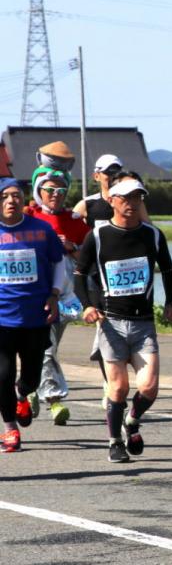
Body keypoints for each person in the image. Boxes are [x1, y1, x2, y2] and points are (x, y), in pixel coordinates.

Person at [73, 176, 172, 463]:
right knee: (118, 388)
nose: (132, 203)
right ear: (112, 201)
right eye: (126, 198)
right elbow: (79, 275)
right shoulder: (97, 235)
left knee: (149, 387)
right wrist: (86, 306)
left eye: (137, 198)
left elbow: (168, 270)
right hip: (111, 323)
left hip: (143, 322)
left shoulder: (152, 235)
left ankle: (132, 420)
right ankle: (114, 441)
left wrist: (170, 302)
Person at [0, 178, 67, 452]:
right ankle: (10, 429)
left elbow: (59, 263)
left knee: (32, 378)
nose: (11, 201)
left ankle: (22, 394)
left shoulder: (42, 230)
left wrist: (54, 295)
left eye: (16, 195)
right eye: (5, 196)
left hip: (35, 317)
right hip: (2, 319)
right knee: (1, 375)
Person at [25, 164, 89, 426]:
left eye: (61, 190)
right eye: (49, 190)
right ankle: (54, 400)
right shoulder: (29, 217)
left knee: (48, 346)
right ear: (39, 190)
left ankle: (29, 386)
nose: (56, 194)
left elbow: (89, 257)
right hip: (36, 293)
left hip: (66, 294)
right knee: (47, 347)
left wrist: (70, 247)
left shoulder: (75, 221)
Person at [74, 154, 149, 227]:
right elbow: (69, 226)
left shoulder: (133, 202)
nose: (113, 176)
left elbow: (148, 229)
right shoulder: (87, 204)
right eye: (108, 173)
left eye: (117, 173)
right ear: (96, 176)